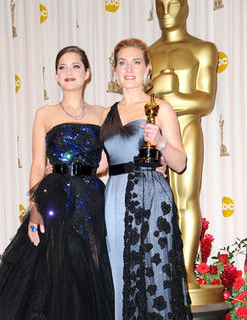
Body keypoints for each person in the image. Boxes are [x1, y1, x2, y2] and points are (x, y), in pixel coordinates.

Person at [0, 46, 114, 320]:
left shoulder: (103, 113)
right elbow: (38, 164)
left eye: (75, 66)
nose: (69, 72)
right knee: (54, 272)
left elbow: (106, 163)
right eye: (62, 67)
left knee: (93, 271)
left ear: (87, 73)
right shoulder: (45, 113)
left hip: (93, 200)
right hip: (55, 199)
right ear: (56, 75)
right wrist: (35, 208)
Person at [101, 38, 192, 319]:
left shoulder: (161, 108)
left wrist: (162, 143)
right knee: (117, 270)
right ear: (115, 70)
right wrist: (60, 168)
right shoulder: (108, 113)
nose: (129, 69)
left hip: (150, 196)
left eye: (136, 62)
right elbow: (101, 164)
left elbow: (180, 163)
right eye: (122, 62)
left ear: (148, 69)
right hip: (113, 197)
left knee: (153, 272)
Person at [149, 0, 218, 289]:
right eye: (160, 5)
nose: (166, 12)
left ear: (186, 7)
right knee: (154, 204)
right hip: (152, 134)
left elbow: (205, 100)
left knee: (187, 198)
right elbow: (138, 102)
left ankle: (187, 271)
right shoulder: (147, 53)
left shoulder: (202, 49)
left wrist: (167, 93)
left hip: (187, 127)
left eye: (173, 5)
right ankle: (163, 270)